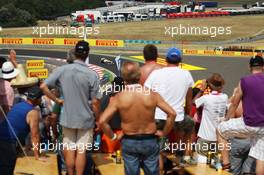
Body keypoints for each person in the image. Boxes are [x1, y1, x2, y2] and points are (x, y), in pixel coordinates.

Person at [99, 61, 176, 175]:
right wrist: (164, 132)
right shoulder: (151, 94)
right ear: (139, 75)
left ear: (124, 77)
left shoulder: (120, 97)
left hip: (130, 140)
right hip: (149, 139)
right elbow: (172, 114)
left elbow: (102, 121)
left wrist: (114, 136)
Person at [40, 40, 101, 175]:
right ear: (87, 54)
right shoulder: (92, 74)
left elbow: (43, 86)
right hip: (85, 118)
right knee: (81, 151)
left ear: (76, 53)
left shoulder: (62, 70)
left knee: (69, 149)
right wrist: (98, 120)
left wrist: (56, 99)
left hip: (67, 117)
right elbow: (96, 102)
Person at [144, 47, 195, 168]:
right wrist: (187, 113)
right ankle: (183, 156)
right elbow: (189, 101)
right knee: (190, 126)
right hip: (177, 116)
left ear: (166, 59)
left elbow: (146, 94)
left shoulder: (156, 73)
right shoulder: (186, 74)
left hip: (158, 116)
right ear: (180, 60)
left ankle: (163, 162)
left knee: (159, 152)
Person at [218, 55, 264, 175]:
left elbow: (234, 103)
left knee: (219, 130)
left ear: (250, 67)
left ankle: (226, 163)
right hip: (263, 127)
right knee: (261, 159)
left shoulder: (244, 81)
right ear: (263, 67)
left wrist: (226, 119)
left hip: (248, 123)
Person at [0, 86, 43, 175]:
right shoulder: (33, 112)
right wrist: (37, 155)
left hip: (3, 138)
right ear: (37, 99)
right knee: (7, 169)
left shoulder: (18, 105)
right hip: (8, 142)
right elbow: (35, 135)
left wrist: (26, 147)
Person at [193, 73, 228, 158]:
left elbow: (194, 102)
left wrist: (202, 90)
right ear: (221, 86)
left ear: (209, 86)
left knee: (201, 163)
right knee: (215, 163)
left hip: (205, 137)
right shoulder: (225, 97)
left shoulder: (206, 98)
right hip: (218, 138)